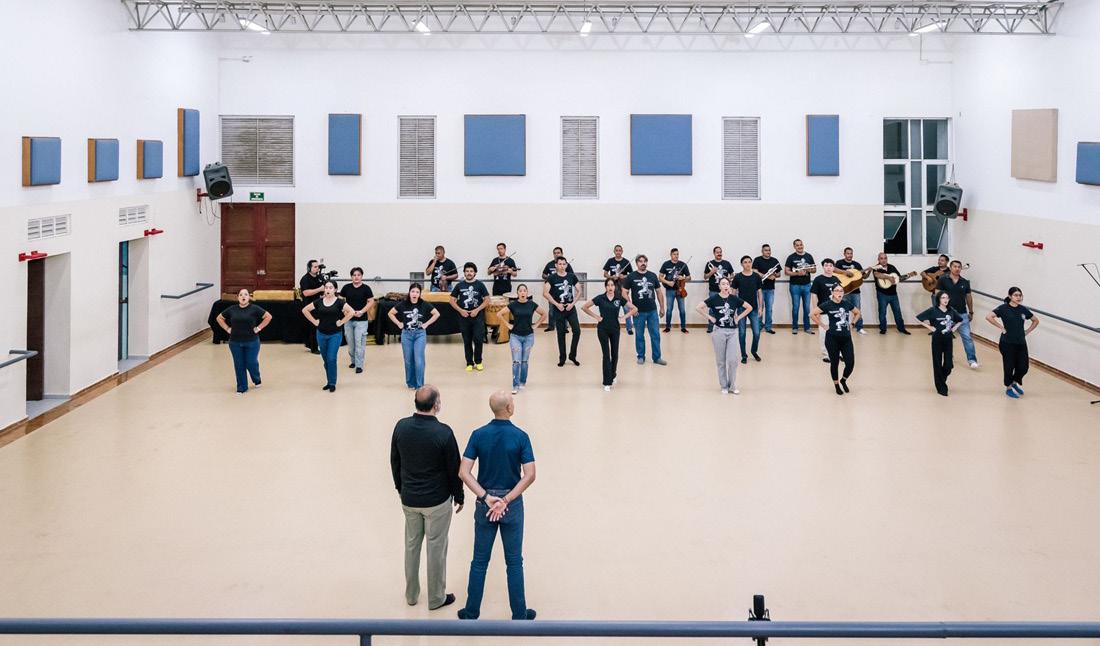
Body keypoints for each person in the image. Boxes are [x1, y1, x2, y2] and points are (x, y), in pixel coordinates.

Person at [457, 391, 538, 621]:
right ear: (510, 408)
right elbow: (530, 474)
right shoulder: (521, 437)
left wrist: (486, 497)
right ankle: (519, 614)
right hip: (512, 505)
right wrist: (507, 499)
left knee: (479, 561)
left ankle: (471, 612)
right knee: (514, 562)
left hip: (486, 505)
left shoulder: (478, 435)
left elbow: (464, 472)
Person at [390, 385, 464, 611]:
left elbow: (395, 461)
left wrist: (401, 488)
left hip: (409, 499)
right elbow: (454, 469)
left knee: (411, 545)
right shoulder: (444, 433)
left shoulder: (401, 427)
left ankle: (411, 595)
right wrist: (459, 495)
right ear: (436, 405)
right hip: (437, 501)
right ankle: (436, 598)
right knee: (436, 547)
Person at [696, 277, 750, 394]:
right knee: (721, 361)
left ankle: (732, 385)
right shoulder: (714, 298)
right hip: (718, 331)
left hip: (732, 332)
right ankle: (724, 385)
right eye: (723, 284)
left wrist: (738, 318)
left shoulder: (734, 299)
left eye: (727, 284)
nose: (726, 286)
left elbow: (749, 307)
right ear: (719, 286)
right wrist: (710, 318)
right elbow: (698, 307)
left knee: (733, 360)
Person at [582, 278, 638, 391]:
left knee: (615, 354)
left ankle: (613, 374)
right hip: (603, 329)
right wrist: (596, 317)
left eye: (612, 285)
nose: (610, 287)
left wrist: (623, 317)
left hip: (615, 329)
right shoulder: (600, 298)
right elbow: (584, 307)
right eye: (608, 285)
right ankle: (607, 382)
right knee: (606, 355)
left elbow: (634, 308)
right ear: (605, 287)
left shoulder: (619, 298)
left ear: (615, 287)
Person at [986, 287, 1039, 399]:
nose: (1018, 297)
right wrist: (1001, 327)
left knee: (1023, 367)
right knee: (1009, 366)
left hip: (1021, 343)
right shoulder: (1003, 308)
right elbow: (988, 316)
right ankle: (1009, 387)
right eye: (1015, 295)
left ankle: (1014, 382)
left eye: (1020, 295)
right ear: (1010, 296)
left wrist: (1027, 331)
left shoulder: (1023, 309)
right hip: (1007, 343)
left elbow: (1035, 320)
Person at [216, 288, 272, 394]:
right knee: (239, 365)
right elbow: (219, 318)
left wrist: (258, 328)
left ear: (249, 297)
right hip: (235, 342)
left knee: (251, 363)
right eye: (241, 294)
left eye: (246, 294)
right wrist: (227, 329)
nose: (243, 296)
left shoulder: (254, 308)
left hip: (252, 341)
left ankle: (256, 379)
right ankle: (242, 387)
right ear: (237, 297)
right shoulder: (232, 309)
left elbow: (268, 317)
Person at [302, 279, 354, 392]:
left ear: (335, 290)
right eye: (326, 287)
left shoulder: (340, 302)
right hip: (321, 334)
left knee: (331, 358)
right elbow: (305, 310)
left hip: (335, 335)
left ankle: (332, 383)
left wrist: (341, 322)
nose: (328, 290)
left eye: (330, 288)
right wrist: (314, 321)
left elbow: (351, 312)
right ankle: (329, 380)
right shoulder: (319, 301)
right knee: (326, 360)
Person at [388, 283, 441, 390]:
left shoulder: (424, 304)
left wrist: (426, 324)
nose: (415, 294)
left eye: (417, 292)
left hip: (419, 334)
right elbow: (390, 313)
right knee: (408, 360)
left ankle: (419, 384)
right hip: (406, 334)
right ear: (409, 292)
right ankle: (410, 383)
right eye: (413, 291)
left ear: (420, 294)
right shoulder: (403, 304)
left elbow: (436, 314)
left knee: (418, 359)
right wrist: (398, 323)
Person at [811, 283, 860, 396]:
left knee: (850, 363)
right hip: (832, 338)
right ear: (832, 293)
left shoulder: (846, 303)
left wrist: (852, 323)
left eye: (841, 291)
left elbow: (857, 313)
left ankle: (843, 380)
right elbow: (812, 314)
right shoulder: (827, 304)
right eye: (837, 290)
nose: (839, 293)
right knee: (835, 363)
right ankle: (837, 384)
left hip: (846, 338)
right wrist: (823, 325)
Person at [917, 291, 964, 396]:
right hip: (937, 339)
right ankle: (941, 388)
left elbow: (960, 320)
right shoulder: (933, 310)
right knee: (937, 363)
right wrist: (930, 327)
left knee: (948, 365)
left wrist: (953, 329)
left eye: (947, 298)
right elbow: (919, 318)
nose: (945, 300)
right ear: (938, 299)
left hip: (948, 339)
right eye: (943, 298)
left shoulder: (951, 311)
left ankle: (940, 379)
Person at [935, 260, 979, 368]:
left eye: (959, 267)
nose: (957, 268)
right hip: (947, 314)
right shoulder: (943, 280)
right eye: (955, 266)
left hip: (962, 314)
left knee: (967, 337)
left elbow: (968, 297)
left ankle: (972, 360)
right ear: (950, 268)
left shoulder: (965, 282)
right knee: (946, 337)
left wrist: (971, 311)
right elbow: (937, 294)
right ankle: (948, 357)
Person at [624, 254, 666, 365]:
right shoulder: (631, 276)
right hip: (638, 312)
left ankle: (657, 357)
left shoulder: (652, 276)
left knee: (655, 335)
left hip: (652, 311)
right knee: (639, 335)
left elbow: (659, 292)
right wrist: (631, 308)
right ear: (637, 263)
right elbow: (624, 292)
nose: (643, 263)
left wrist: (662, 307)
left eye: (645, 261)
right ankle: (641, 356)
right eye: (640, 261)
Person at [505, 285, 546, 394]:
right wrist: (508, 325)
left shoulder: (532, 304)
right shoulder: (513, 305)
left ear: (527, 293)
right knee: (516, 361)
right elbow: (499, 314)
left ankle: (522, 381)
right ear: (517, 293)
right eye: (520, 291)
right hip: (515, 336)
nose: (522, 293)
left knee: (524, 361)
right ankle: (515, 384)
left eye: (524, 291)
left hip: (528, 337)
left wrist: (536, 325)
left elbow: (544, 314)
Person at [450, 262, 491, 372]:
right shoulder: (459, 285)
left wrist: (477, 310)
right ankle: (469, 363)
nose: (469, 273)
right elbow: (452, 300)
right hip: (464, 317)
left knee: (478, 339)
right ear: (464, 273)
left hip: (477, 317)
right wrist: (461, 310)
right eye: (467, 271)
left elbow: (487, 300)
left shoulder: (480, 285)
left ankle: (478, 362)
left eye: (471, 271)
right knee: (467, 341)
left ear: (475, 273)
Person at [543, 257, 581, 367]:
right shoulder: (552, 277)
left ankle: (572, 355)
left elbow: (579, 290)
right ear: (556, 265)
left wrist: (572, 303)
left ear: (566, 265)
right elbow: (545, 293)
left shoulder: (571, 276)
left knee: (577, 331)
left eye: (564, 264)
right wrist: (556, 304)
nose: (562, 266)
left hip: (570, 308)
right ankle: (562, 358)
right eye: (560, 264)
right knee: (561, 334)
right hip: (558, 309)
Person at [340, 267, 376, 374]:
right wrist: (345, 312)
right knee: (351, 345)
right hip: (348, 320)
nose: (356, 277)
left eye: (358, 275)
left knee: (359, 344)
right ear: (351, 276)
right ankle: (353, 361)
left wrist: (362, 311)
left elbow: (371, 301)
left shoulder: (366, 288)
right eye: (354, 275)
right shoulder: (346, 288)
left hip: (361, 321)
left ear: (362, 276)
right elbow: (340, 301)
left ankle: (359, 365)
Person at [872, 252, 911, 335]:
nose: (883, 260)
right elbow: (877, 275)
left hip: (893, 294)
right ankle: (883, 329)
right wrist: (889, 277)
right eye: (881, 258)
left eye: (885, 258)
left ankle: (901, 329)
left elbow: (898, 278)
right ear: (878, 259)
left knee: (897, 312)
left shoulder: (892, 267)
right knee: (882, 312)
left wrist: (908, 276)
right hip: (882, 294)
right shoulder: (876, 268)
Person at [733, 255, 763, 363]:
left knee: (757, 333)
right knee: (742, 333)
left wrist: (760, 308)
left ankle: (754, 351)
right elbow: (733, 293)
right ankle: (744, 355)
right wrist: (733, 309)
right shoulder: (738, 277)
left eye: (749, 262)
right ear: (741, 264)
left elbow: (760, 293)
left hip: (754, 309)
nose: (748, 264)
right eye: (745, 262)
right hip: (741, 309)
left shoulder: (756, 276)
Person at [810, 259, 841, 361]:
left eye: (831, 265)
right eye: (826, 265)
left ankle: (838, 353)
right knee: (824, 333)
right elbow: (814, 295)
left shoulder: (836, 279)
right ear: (823, 267)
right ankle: (826, 354)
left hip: (836, 311)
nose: (828, 267)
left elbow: (840, 294)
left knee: (837, 333)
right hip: (823, 311)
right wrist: (816, 310)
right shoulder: (818, 279)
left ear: (833, 267)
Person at [834, 247, 868, 335]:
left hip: (855, 292)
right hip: (844, 291)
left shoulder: (857, 264)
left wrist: (869, 271)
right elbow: (834, 270)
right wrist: (845, 272)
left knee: (858, 309)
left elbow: (864, 276)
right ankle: (844, 328)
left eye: (851, 253)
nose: (849, 255)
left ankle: (859, 327)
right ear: (844, 254)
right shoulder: (839, 263)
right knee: (843, 310)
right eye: (848, 253)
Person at [784, 239, 816, 334]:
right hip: (795, 286)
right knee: (795, 307)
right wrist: (798, 273)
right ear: (794, 247)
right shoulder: (791, 257)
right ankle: (795, 327)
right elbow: (786, 272)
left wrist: (807, 269)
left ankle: (807, 327)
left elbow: (814, 269)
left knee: (807, 308)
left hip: (807, 286)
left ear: (803, 245)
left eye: (801, 244)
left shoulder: (809, 256)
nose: (799, 246)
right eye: (797, 245)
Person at [603, 245, 634, 335]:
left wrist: (624, 276)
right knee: (612, 309)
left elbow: (631, 274)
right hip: (612, 288)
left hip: (623, 287)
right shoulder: (610, 261)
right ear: (614, 251)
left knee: (626, 308)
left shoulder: (626, 262)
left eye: (620, 250)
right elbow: (605, 274)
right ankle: (612, 326)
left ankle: (629, 328)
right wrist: (611, 277)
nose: (618, 252)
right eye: (616, 250)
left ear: (622, 251)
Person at [658, 248, 690, 334]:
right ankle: (667, 327)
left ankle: (683, 327)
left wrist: (683, 278)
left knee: (682, 310)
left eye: (677, 254)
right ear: (671, 255)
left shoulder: (683, 264)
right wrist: (668, 282)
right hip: (669, 290)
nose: (676, 256)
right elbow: (660, 277)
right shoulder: (666, 264)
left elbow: (689, 277)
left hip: (680, 290)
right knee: (669, 309)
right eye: (674, 254)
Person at [541, 248, 573, 333]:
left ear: (562, 253)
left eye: (558, 253)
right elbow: (543, 275)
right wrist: (551, 277)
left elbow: (572, 276)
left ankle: (565, 327)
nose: (556, 254)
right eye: (555, 253)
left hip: (563, 292)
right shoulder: (549, 264)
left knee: (564, 310)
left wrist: (562, 273)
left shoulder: (566, 265)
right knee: (551, 310)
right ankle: (551, 326)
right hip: (551, 292)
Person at [703, 247, 735, 333]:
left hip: (725, 290)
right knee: (712, 309)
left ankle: (724, 325)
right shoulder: (709, 263)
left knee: (726, 307)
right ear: (714, 253)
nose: (719, 254)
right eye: (717, 252)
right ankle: (711, 327)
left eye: (720, 252)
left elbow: (732, 274)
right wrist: (712, 272)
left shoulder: (727, 263)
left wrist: (729, 278)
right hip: (713, 290)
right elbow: (705, 277)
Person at [751, 244, 781, 334]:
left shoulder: (774, 260)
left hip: (770, 289)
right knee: (759, 308)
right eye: (766, 250)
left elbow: (779, 274)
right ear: (762, 251)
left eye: (769, 250)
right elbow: (754, 271)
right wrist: (766, 276)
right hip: (759, 288)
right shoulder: (757, 260)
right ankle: (759, 326)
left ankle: (768, 327)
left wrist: (775, 275)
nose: (768, 252)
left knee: (769, 309)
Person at [299, 259, 325, 353]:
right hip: (309, 306)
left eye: (318, 267)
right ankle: (313, 348)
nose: (317, 268)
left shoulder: (319, 277)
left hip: (319, 305)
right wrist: (319, 289)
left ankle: (316, 345)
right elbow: (306, 293)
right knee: (312, 327)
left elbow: (322, 290)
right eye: (315, 267)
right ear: (309, 268)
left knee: (317, 326)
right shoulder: (305, 279)